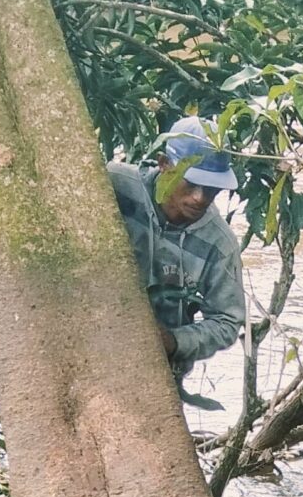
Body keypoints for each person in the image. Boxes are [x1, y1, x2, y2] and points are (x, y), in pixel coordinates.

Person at [107, 116, 249, 372]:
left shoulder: (219, 243)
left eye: (211, 189)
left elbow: (227, 321)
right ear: (164, 164)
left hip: (159, 368)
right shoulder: (114, 186)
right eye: (192, 184)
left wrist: (174, 341)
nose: (200, 198)